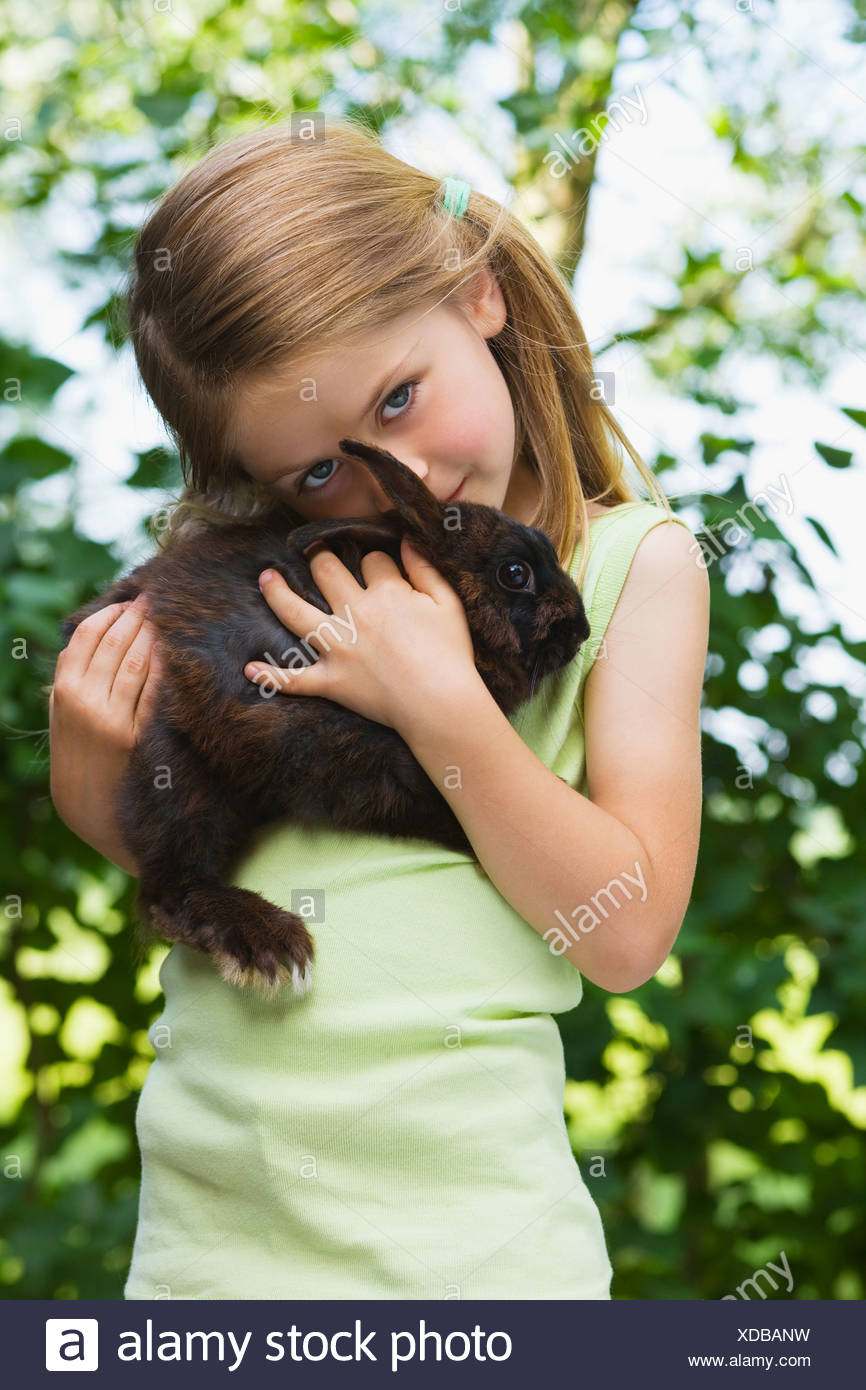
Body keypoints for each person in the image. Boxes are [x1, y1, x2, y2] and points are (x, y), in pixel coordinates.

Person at [49, 119, 709, 1300]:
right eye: (315, 471)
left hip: (480, 1269)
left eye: (398, 396)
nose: (379, 477)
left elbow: (624, 931)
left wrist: (441, 705)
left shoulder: (626, 570)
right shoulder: (273, 585)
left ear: (478, 295)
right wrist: (95, 774)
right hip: (210, 1268)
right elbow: (197, 858)